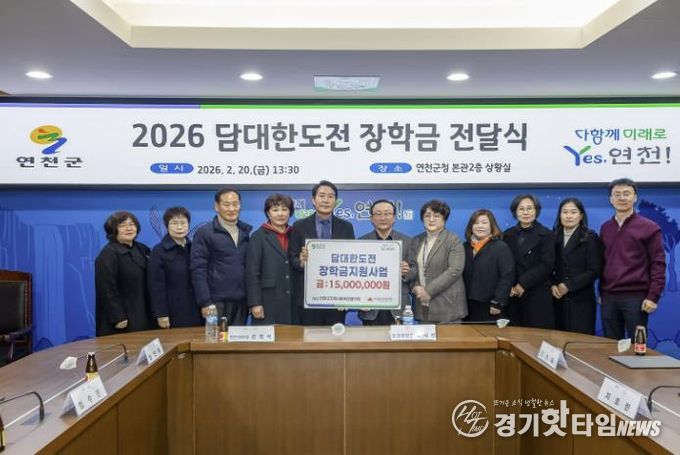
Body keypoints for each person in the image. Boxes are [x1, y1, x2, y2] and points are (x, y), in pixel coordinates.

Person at [600, 178, 666, 340]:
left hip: (636, 297)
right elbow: (602, 262)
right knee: (610, 344)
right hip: (609, 297)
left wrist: (653, 296)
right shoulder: (605, 228)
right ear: (611, 199)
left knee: (637, 345)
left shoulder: (649, 228)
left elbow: (658, 264)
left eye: (626, 194)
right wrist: (601, 291)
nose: (622, 198)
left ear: (635, 197)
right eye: (617, 194)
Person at [289, 180, 355, 325]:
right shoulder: (299, 226)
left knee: (335, 336)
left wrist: (347, 295)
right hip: (309, 297)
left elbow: (351, 262)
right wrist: (301, 261)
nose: (326, 200)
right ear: (313, 200)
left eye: (331, 196)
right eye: (322, 196)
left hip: (337, 297)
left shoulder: (346, 227)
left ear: (336, 201)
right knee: (309, 336)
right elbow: (293, 258)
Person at [191, 188, 252, 326]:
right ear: (216, 206)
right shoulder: (205, 233)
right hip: (215, 303)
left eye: (235, 204)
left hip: (241, 302)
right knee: (215, 339)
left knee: (238, 339)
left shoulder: (245, 232)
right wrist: (205, 302)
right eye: (226, 204)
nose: (231, 209)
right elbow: (198, 270)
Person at [405, 200, 466, 323]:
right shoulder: (416, 240)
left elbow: (455, 270)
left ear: (444, 219)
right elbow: (412, 268)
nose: (431, 219)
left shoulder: (453, 240)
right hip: (421, 304)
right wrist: (415, 287)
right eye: (427, 216)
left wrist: (428, 291)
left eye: (436, 216)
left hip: (447, 307)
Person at [95, 211, 151, 336]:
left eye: (131, 224)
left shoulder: (143, 249)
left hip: (143, 311)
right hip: (123, 319)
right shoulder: (108, 254)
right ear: (113, 230)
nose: (128, 228)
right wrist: (118, 316)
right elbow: (106, 288)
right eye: (122, 225)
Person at [503, 194, 555, 329]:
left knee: (537, 335)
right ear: (515, 212)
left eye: (529, 208)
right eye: (521, 209)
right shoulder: (508, 235)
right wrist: (509, 285)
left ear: (536, 211)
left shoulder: (547, 235)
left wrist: (523, 283)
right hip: (514, 294)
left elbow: (547, 265)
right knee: (515, 334)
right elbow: (505, 264)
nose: (525, 212)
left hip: (537, 292)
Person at [551, 198, 603, 335]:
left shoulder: (590, 237)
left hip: (581, 300)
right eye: (565, 212)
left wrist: (568, 285)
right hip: (557, 299)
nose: (568, 216)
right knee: (557, 339)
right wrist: (553, 285)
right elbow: (548, 266)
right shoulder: (553, 236)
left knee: (580, 341)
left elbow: (595, 270)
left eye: (573, 212)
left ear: (581, 216)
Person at [358, 199, 412, 325]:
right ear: (371, 218)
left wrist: (407, 271)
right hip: (370, 307)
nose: (383, 218)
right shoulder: (360, 243)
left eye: (387, 213)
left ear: (394, 218)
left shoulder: (408, 242)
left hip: (399, 307)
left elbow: (415, 271)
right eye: (378, 214)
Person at [148, 207, 201, 329]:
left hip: (196, 309)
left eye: (183, 223)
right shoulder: (159, 251)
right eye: (174, 223)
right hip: (172, 311)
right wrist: (161, 313)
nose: (179, 227)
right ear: (167, 226)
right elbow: (156, 286)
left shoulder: (194, 248)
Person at [246, 194, 295, 325]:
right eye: (275, 210)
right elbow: (252, 272)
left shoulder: (295, 234)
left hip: (292, 301)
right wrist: (255, 303)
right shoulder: (258, 236)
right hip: (267, 300)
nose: (280, 214)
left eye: (284, 209)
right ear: (268, 213)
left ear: (290, 212)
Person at [462, 209, 515, 322]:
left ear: (492, 226)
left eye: (484, 222)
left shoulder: (500, 247)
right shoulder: (465, 247)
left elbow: (507, 276)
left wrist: (498, 301)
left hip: (490, 306)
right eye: (476, 223)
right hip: (467, 305)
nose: (480, 226)